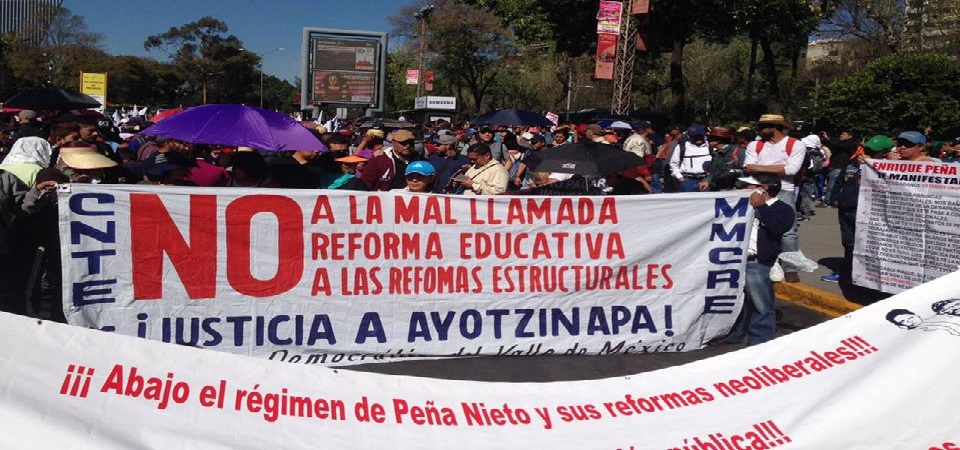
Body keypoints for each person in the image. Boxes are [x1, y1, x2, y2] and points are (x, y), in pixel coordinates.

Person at [718, 173, 795, 346]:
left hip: (758, 263)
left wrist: (761, 207)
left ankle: (760, 341)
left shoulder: (782, 209)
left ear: (764, 189)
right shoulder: (745, 205)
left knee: (761, 304)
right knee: (741, 302)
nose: (744, 189)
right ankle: (736, 334)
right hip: (737, 261)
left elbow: (777, 228)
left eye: (749, 186)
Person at [821, 134, 893, 283]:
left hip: (866, 211)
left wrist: (871, 163)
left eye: (874, 152)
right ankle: (846, 272)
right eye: (867, 149)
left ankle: (866, 277)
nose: (868, 153)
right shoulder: (854, 161)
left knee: (864, 245)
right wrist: (835, 198)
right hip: (846, 207)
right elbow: (842, 178)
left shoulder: (888, 168)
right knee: (848, 243)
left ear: (885, 153)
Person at [743, 114, 806, 283]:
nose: (760, 130)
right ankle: (763, 260)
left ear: (775, 127)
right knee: (758, 226)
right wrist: (778, 168)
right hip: (758, 190)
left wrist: (758, 167)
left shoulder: (795, 144)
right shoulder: (755, 145)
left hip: (784, 190)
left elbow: (792, 170)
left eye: (764, 126)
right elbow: (748, 168)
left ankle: (790, 267)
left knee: (788, 231)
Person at [669, 125, 712, 192]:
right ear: (689, 136)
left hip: (706, 180)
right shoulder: (682, 147)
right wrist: (679, 177)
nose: (698, 138)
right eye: (695, 136)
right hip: (688, 181)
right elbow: (674, 164)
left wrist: (710, 179)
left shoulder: (710, 147)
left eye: (700, 136)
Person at [886, 309, 960, 336]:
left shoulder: (937, 317)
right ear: (900, 325)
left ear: (916, 315)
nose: (909, 321)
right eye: (903, 321)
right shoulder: (918, 331)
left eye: (911, 317)